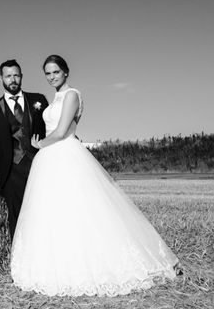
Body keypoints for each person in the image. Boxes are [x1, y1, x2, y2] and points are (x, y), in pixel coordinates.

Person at [10, 55, 180, 297]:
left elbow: (62, 132)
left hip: (63, 153)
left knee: (80, 208)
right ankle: (56, 261)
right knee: (53, 210)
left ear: (66, 72)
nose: (52, 77)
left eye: (56, 72)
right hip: (50, 157)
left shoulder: (72, 95)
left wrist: (39, 145)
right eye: (47, 73)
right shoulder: (56, 97)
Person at [0, 59, 49, 238]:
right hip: (11, 171)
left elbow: (52, 127)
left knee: (45, 213)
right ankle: (19, 261)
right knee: (16, 218)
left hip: (40, 166)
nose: (13, 80)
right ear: (1, 79)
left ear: (21, 76)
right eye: (8, 76)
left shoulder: (38, 100)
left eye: (16, 75)